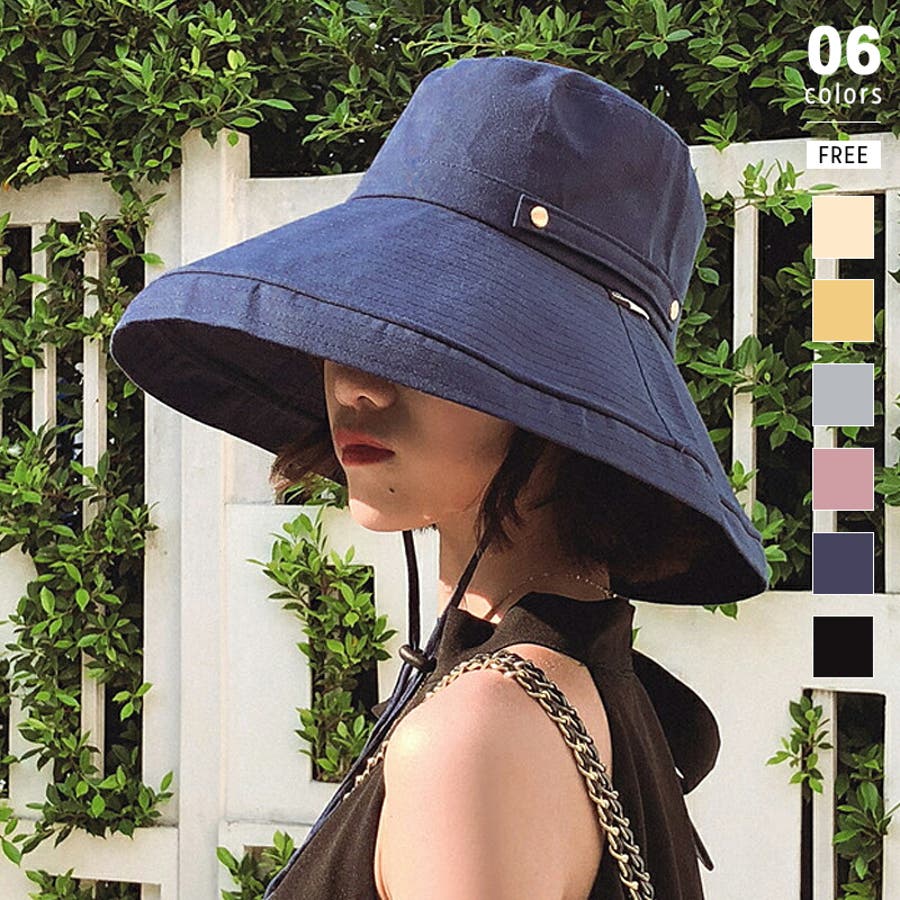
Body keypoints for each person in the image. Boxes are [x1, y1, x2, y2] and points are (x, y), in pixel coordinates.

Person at [110, 55, 769, 899]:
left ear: (563, 388)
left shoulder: (484, 738)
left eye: (433, 340)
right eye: (357, 324)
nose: (354, 384)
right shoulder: (580, 681)